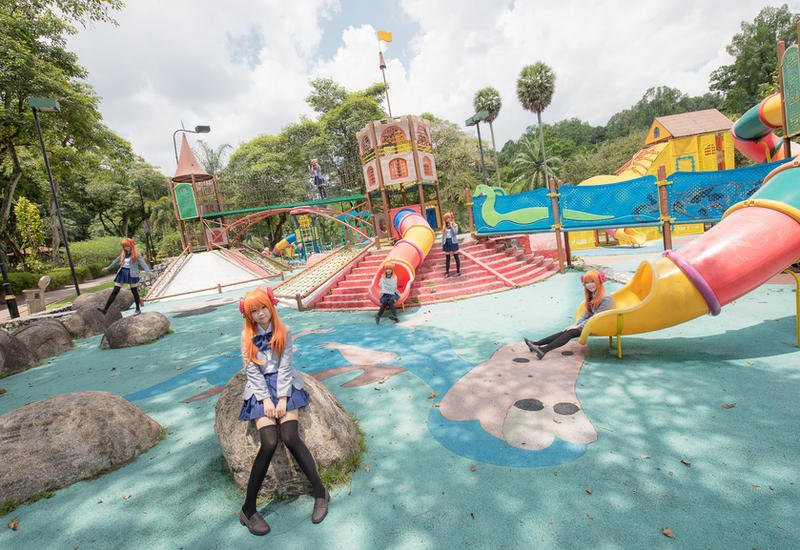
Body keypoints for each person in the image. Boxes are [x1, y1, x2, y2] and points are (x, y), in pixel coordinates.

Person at [237, 287, 328, 536]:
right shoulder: (247, 335)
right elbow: (251, 370)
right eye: (253, 311)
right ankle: (248, 509)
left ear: (271, 306)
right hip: (259, 390)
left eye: (263, 308)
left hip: (285, 385)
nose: (259, 314)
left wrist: (283, 398)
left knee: (290, 436)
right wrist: (266, 399)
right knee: (268, 442)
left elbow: (286, 366)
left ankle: (320, 492)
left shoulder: (284, 331)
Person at [524, 270, 614, 360]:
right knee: (566, 330)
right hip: (592, 322)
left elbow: (596, 317)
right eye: (587, 282)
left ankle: (543, 350)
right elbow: (587, 313)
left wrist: (578, 326)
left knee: (570, 332)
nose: (589, 285)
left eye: (592, 281)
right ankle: (536, 344)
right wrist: (575, 325)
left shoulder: (606, 298)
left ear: (599, 281)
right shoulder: (593, 294)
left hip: (599, 324)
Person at [98, 238, 152, 316]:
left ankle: (138, 309)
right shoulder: (123, 254)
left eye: (127, 246)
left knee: (134, 291)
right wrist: (108, 268)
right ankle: (105, 309)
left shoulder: (137, 254)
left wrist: (149, 272)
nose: (125, 248)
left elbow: (143, 263)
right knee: (115, 291)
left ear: (131, 245)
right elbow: (115, 261)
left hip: (132, 274)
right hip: (122, 273)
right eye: (124, 246)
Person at [442, 212, 461, 277]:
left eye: (448, 218)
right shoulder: (444, 226)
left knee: (456, 256)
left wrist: (451, 226)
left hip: (453, 242)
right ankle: (447, 273)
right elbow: (443, 236)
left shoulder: (455, 225)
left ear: (451, 218)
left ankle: (458, 272)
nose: (447, 219)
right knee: (447, 258)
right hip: (446, 242)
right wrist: (443, 243)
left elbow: (455, 233)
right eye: (446, 218)